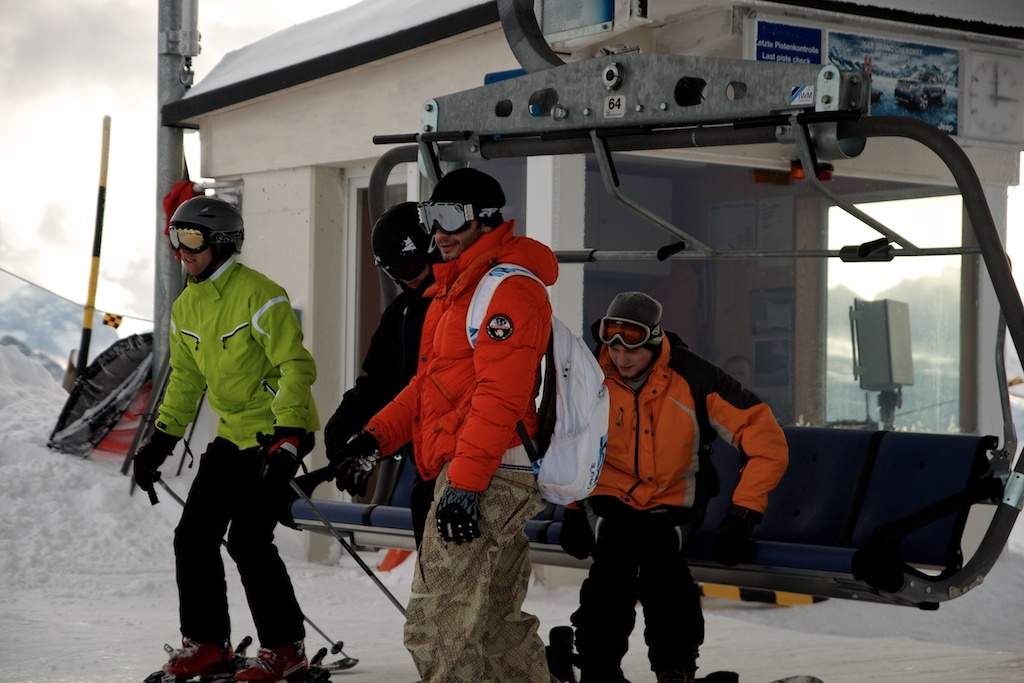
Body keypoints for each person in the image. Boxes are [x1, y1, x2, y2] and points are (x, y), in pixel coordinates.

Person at [331, 167, 559, 683]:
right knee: (495, 629)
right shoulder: (456, 289)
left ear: (486, 218)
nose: (439, 232)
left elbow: (500, 398)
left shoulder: (508, 290)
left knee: (436, 628)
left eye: (452, 216)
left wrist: (465, 486)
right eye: (432, 217)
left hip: (488, 471)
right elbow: (429, 385)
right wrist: (374, 438)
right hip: (477, 469)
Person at [132, 195, 320, 683]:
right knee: (193, 537)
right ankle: (208, 645)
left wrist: (288, 435)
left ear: (221, 242)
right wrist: (161, 441)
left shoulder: (261, 295)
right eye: (175, 238)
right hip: (233, 436)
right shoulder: (186, 307)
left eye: (191, 238)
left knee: (248, 540)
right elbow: (186, 380)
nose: (181, 250)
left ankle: (285, 649)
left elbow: (294, 367)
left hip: (277, 432)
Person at [561, 291, 789, 683]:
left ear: (653, 340)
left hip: (673, 502)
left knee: (660, 559)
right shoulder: (589, 376)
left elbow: (766, 439)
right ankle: (599, 668)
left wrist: (743, 513)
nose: (621, 358)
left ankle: (675, 669)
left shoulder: (695, 378)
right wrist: (571, 510)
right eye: (613, 347)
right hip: (607, 499)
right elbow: (566, 443)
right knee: (615, 558)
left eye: (632, 349)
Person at [321, 201, 435, 547]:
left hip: (464, 459)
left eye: (409, 265)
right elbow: (381, 382)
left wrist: (374, 440)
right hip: (426, 459)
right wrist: (348, 419)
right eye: (393, 272)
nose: (404, 278)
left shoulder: (459, 304)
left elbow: (432, 388)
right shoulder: (401, 311)